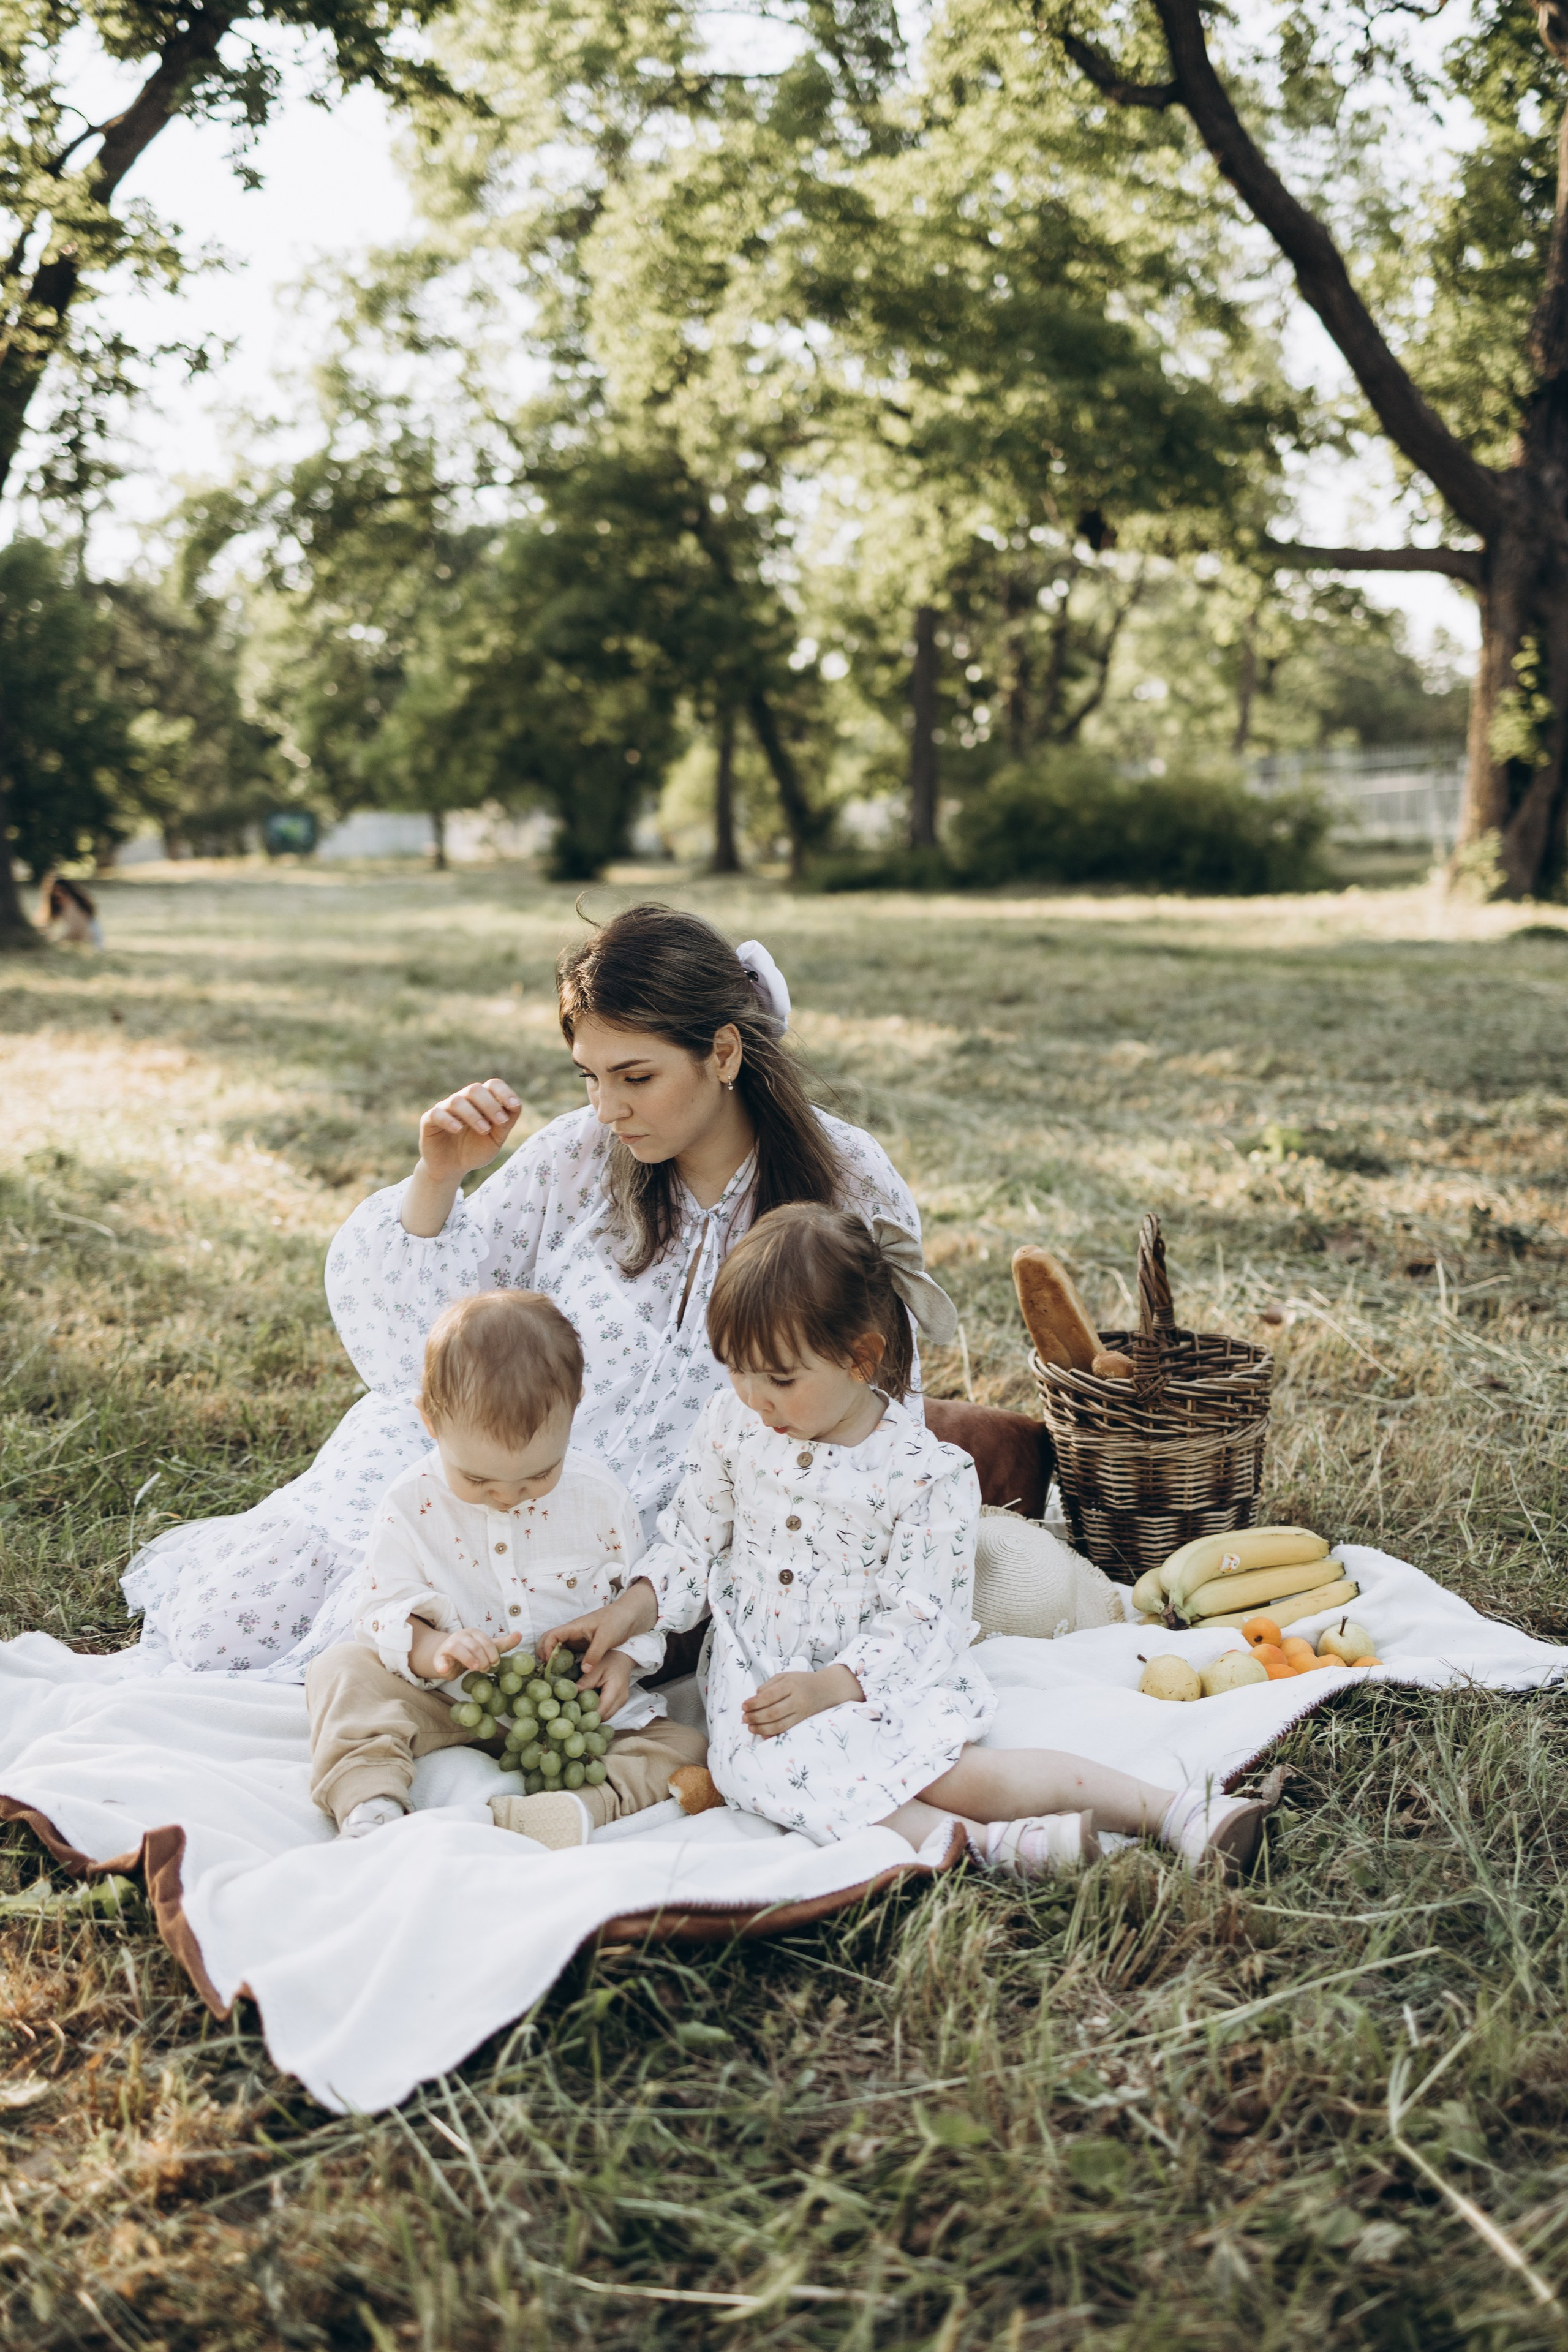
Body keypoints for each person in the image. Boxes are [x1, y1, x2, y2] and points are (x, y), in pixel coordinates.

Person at [123, 905, 922, 1676]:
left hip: (648, 1526)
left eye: (636, 1077)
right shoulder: (577, 1156)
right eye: (590, 1077)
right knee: (218, 1633)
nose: (608, 1109)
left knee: (431, 1667)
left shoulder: (847, 1181)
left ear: (722, 1052)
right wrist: (440, 1175)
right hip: (487, 1455)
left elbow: (882, 1389)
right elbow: (423, 1342)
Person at [549, 1204, 1270, 1877]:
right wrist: (627, 1614)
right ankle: (992, 1847)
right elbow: (689, 1540)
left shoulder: (924, 1475)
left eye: (778, 1377)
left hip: (876, 1673)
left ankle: (1175, 1810)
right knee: (769, 1769)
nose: (753, 1396)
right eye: (735, 1369)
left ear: (860, 1359)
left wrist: (836, 1687)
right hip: (764, 1674)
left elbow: (927, 1613)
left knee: (959, 1771)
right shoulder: (733, 1428)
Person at [306, 1287, 707, 1845]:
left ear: (575, 1408)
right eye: (477, 1480)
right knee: (342, 1672)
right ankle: (370, 1797)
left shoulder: (600, 1499)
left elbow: (632, 1605)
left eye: (539, 1476)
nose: (508, 1496)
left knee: (685, 1744)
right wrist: (433, 1651)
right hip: (452, 1702)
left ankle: (573, 1808)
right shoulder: (410, 1503)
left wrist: (620, 1662)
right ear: (429, 1420)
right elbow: (378, 1608)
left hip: (573, 1713)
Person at [39, 874, 103, 947]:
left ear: (67, 891)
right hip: (82, 935)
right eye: (55, 895)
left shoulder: (72, 903)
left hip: (90, 933)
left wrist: (58, 940)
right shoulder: (57, 906)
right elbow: (47, 923)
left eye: (62, 891)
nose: (59, 895)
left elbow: (75, 929)